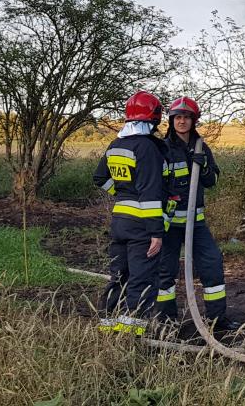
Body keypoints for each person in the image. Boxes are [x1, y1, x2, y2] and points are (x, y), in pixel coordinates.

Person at [155, 96, 242, 332]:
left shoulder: (202, 147)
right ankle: (166, 321)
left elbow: (212, 181)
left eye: (186, 117)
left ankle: (217, 320)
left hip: (196, 223)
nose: (182, 121)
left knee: (212, 264)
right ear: (172, 120)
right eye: (178, 117)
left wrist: (202, 165)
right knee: (165, 272)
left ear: (194, 121)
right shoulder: (162, 149)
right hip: (169, 224)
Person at [93, 90, 169, 335]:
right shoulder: (147, 148)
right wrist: (156, 232)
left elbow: (99, 177)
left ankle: (108, 327)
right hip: (141, 226)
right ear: (154, 118)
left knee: (119, 275)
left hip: (120, 222)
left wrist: (122, 193)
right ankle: (129, 335)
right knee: (141, 279)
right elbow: (150, 193)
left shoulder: (116, 144)